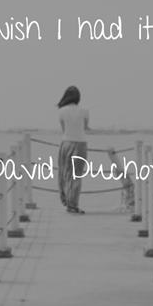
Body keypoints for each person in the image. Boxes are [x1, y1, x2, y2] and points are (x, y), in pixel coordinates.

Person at [57, 85, 89, 214]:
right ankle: (73, 205)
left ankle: (66, 200)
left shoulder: (61, 111)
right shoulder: (85, 110)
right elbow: (85, 128)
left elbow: (64, 129)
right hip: (80, 143)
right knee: (76, 175)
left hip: (66, 143)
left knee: (65, 174)